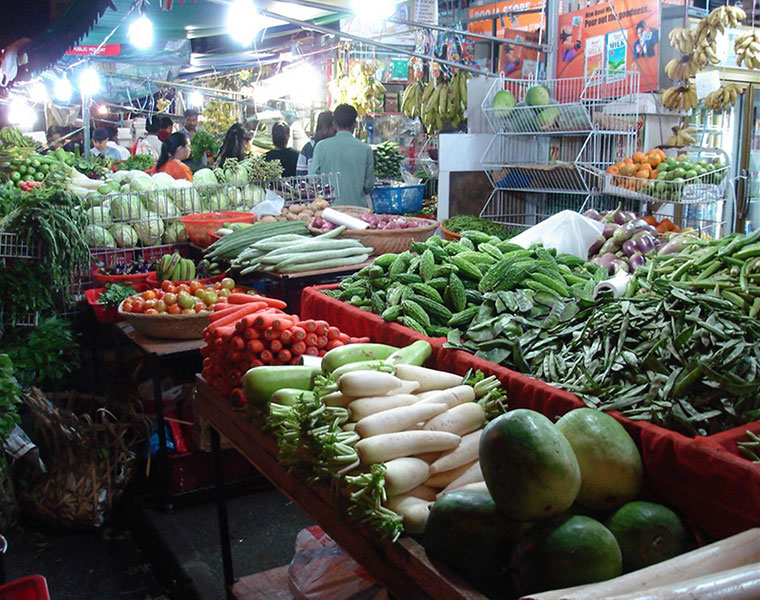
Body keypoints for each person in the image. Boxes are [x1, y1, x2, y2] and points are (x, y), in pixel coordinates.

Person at [309, 104, 375, 207]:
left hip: (329, 210)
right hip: (358, 211)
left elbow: (313, 180)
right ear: (355, 124)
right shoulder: (366, 149)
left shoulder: (320, 147)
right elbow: (368, 185)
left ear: (334, 124)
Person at [296, 111, 335, 176]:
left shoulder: (307, 148)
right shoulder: (308, 149)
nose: (336, 134)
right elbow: (300, 179)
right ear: (324, 128)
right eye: (334, 130)